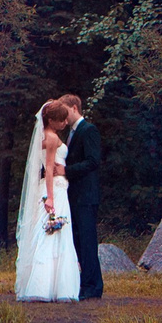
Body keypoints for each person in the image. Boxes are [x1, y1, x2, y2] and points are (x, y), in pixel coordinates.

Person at [14, 100, 82, 301]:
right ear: (51, 120)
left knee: (53, 234)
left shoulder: (45, 137)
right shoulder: (51, 139)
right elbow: (49, 169)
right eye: (60, 120)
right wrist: (50, 197)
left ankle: (50, 285)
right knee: (52, 234)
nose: (64, 123)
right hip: (55, 189)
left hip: (57, 187)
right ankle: (47, 287)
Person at [56, 93, 105, 301]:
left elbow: (93, 161)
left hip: (86, 195)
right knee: (78, 240)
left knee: (87, 241)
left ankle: (93, 286)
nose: (63, 116)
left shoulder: (88, 130)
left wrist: (66, 170)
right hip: (75, 196)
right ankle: (83, 283)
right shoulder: (72, 133)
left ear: (74, 108)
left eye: (65, 111)